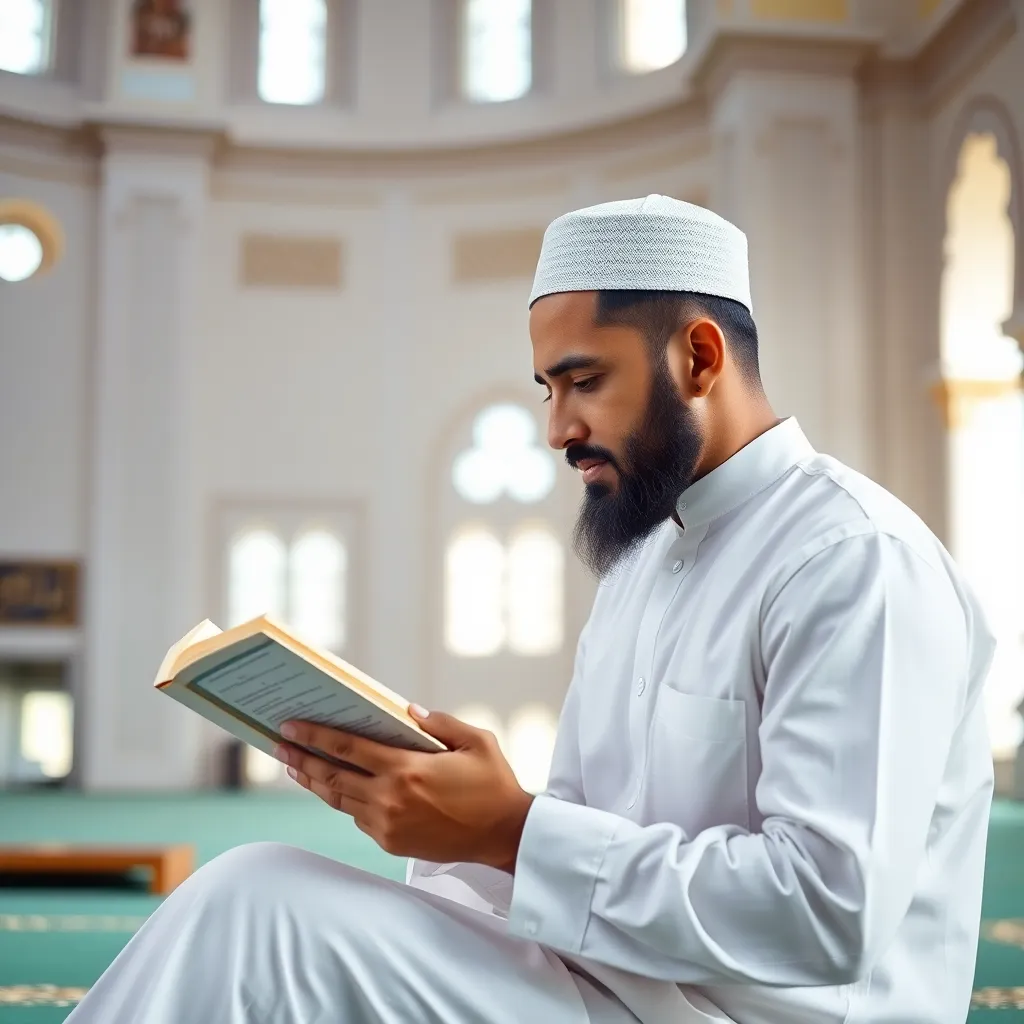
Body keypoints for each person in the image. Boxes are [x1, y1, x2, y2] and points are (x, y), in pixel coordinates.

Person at [67, 196, 995, 1023]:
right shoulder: (641, 562)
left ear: (699, 355)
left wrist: (508, 829)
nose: (559, 430)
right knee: (257, 894)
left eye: (585, 381)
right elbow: (586, 832)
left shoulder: (852, 561)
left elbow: (828, 914)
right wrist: (440, 814)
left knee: (256, 911)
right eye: (548, 390)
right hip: (617, 986)